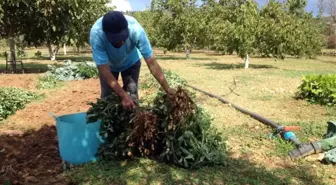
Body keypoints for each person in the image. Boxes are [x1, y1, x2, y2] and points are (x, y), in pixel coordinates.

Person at [90, 11, 175, 110]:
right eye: (116, 39)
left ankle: (133, 123)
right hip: (109, 66)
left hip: (131, 62)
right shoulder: (97, 34)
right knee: (107, 99)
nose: (121, 42)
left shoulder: (136, 29)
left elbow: (152, 63)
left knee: (132, 95)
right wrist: (122, 95)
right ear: (106, 34)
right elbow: (104, 70)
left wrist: (167, 89)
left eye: (123, 38)